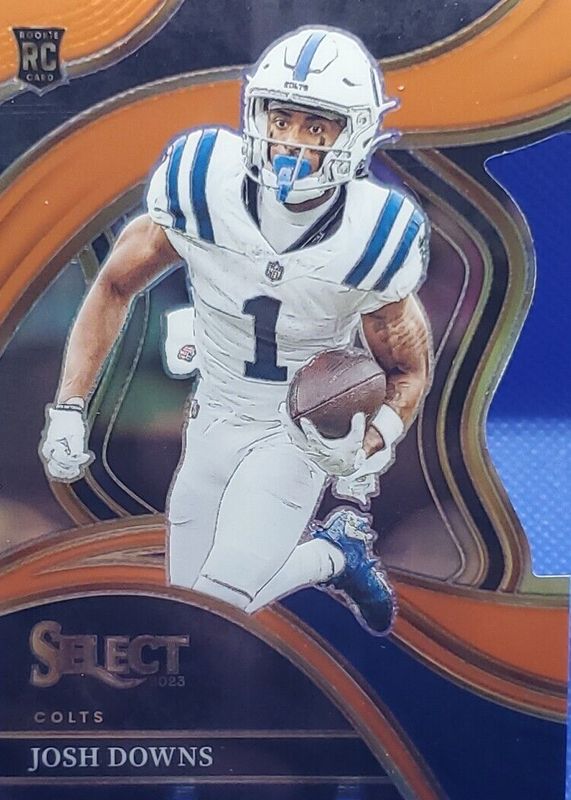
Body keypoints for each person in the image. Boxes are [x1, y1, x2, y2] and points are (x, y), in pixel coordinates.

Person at [40, 27, 432, 635]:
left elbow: (408, 369)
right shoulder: (202, 181)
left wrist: (367, 443)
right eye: (281, 118)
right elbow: (114, 285)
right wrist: (69, 406)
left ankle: (331, 552)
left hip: (297, 430)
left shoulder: (374, 235)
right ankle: (336, 553)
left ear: (354, 134)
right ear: (255, 113)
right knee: (185, 597)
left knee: (215, 606)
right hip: (213, 414)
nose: (290, 141)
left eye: (316, 126)